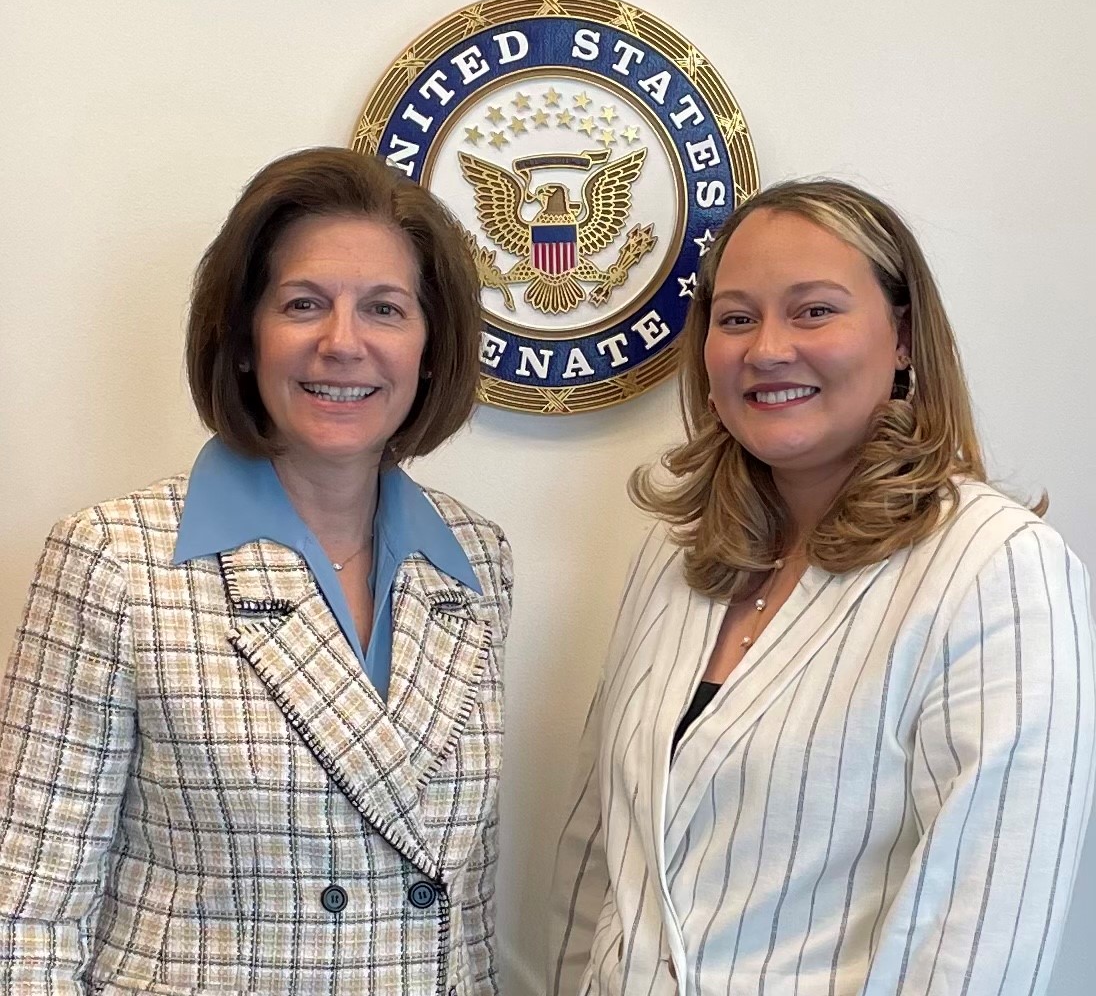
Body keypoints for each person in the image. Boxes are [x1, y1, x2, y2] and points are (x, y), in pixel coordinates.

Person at [547, 179, 1094, 995]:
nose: (767, 349)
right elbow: (603, 858)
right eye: (736, 319)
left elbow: (982, 937)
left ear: (903, 338)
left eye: (813, 311)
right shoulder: (674, 558)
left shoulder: (996, 567)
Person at [0, 147, 512, 994]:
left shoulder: (476, 558)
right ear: (243, 338)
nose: (342, 343)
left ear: (431, 347)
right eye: (304, 303)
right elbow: (27, 914)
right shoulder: (114, 558)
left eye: (385, 309)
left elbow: (464, 903)